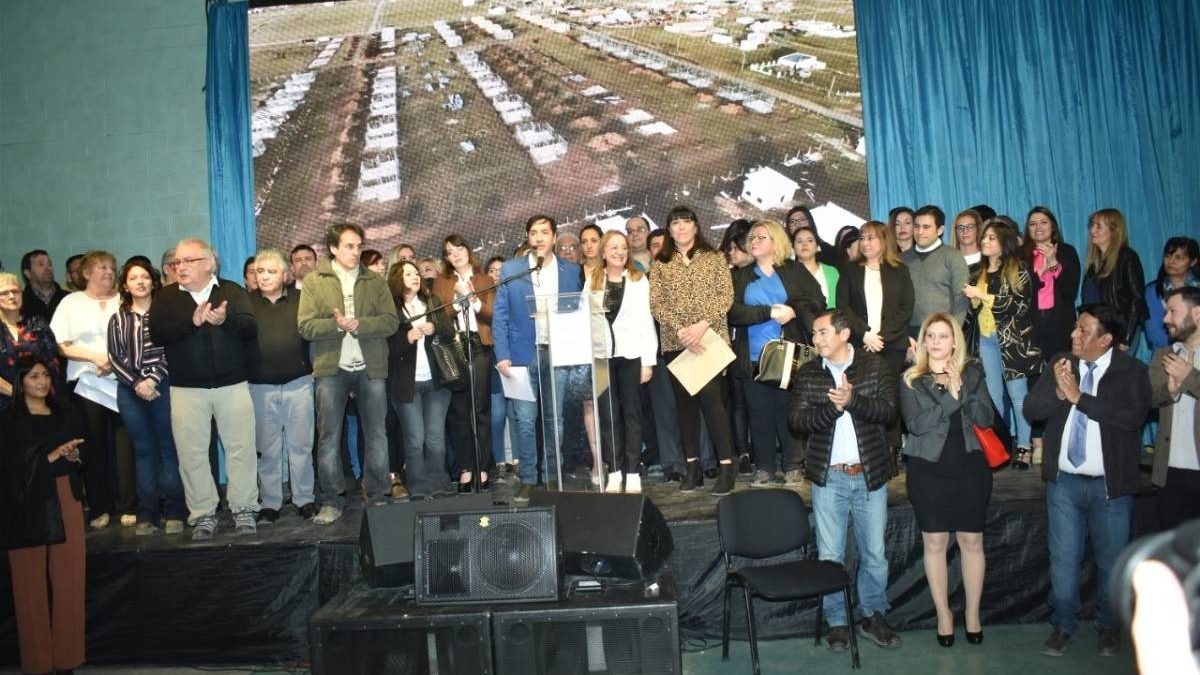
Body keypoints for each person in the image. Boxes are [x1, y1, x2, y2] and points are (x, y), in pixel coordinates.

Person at [1024, 303, 1152, 657]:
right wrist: (1058, 391)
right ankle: (1063, 626)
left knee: (1111, 562)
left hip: (1110, 486)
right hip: (1064, 483)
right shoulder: (1062, 363)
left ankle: (1109, 627)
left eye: (1083, 330)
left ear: (1106, 339)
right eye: (1075, 327)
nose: (1074, 335)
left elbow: (1131, 417)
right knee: (1063, 560)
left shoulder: (1131, 371)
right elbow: (1031, 410)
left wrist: (1080, 399)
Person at [789, 310, 902, 651]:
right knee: (830, 555)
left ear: (844, 333)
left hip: (869, 475)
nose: (816, 339)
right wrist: (833, 409)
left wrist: (853, 401)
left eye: (822, 332)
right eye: (814, 333)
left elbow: (889, 412)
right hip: (829, 478)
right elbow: (797, 421)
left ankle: (872, 615)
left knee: (875, 554)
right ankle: (837, 621)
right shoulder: (808, 372)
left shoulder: (874, 366)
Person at [149, 238, 260, 539]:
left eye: (188, 260)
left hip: (232, 385)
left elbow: (250, 328)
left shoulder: (232, 291)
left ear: (209, 263)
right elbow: (157, 334)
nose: (180, 267)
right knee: (192, 454)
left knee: (241, 450)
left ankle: (244, 508)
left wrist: (224, 320)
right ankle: (203, 514)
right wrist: (191, 322)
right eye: (177, 262)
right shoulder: (165, 297)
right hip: (186, 390)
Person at [900, 313, 993, 647]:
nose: (936, 342)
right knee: (935, 543)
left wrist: (963, 390)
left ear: (955, 341)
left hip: (970, 467)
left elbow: (985, 418)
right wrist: (951, 398)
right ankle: (944, 615)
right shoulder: (911, 379)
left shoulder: (972, 372)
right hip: (928, 470)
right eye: (931, 336)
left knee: (972, 542)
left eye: (943, 335)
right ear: (924, 341)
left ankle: (973, 614)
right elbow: (917, 425)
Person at [298, 224, 400, 524]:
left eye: (359, 246)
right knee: (329, 436)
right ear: (333, 248)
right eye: (349, 246)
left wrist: (360, 324)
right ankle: (331, 500)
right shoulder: (314, 281)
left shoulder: (375, 281)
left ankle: (378, 495)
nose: (356, 252)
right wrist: (337, 325)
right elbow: (305, 326)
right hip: (331, 368)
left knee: (376, 434)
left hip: (371, 366)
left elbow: (391, 322)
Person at [1, 358, 87, 675]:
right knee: (28, 583)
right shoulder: (9, 420)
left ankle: (67, 660)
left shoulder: (65, 412)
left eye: (46, 375)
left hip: (65, 494)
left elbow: (82, 457)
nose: (42, 381)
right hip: (26, 503)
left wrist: (74, 456)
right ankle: (37, 664)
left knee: (70, 579)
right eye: (34, 376)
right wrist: (50, 457)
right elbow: (9, 467)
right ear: (20, 381)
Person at [493, 215, 583, 502]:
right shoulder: (512, 269)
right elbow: (501, 316)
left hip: (558, 353)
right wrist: (502, 354)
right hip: (521, 356)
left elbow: (578, 313)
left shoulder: (571, 271)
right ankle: (529, 478)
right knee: (524, 420)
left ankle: (553, 474)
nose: (539, 237)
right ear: (528, 237)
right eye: (534, 232)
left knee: (555, 419)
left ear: (554, 237)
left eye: (545, 232)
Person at [648, 206, 737, 495]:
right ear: (669, 230)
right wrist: (682, 331)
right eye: (675, 223)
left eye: (686, 222)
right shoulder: (661, 263)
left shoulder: (714, 257)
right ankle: (693, 468)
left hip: (709, 338)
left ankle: (727, 467)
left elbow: (726, 296)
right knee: (684, 405)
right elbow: (656, 304)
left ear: (696, 226)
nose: (681, 227)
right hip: (677, 342)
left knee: (713, 403)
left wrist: (701, 326)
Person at [730, 219, 823, 486]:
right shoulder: (741, 275)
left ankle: (793, 465)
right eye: (752, 238)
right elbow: (733, 312)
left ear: (776, 242)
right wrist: (768, 312)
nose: (754, 241)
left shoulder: (793, 270)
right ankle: (764, 468)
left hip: (789, 353)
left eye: (761, 237)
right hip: (753, 357)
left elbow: (818, 300)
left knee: (789, 410)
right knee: (759, 413)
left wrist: (794, 310)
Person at [50, 250, 134, 530]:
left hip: (123, 381)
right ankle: (100, 507)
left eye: (112, 267)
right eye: (102, 267)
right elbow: (59, 344)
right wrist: (94, 357)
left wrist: (114, 362)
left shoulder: (125, 300)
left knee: (126, 445)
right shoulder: (70, 302)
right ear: (86, 273)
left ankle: (128, 506)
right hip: (86, 384)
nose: (109, 272)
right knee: (92, 446)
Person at [107, 258, 185, 535]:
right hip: (130, 391)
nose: (140, 282)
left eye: (144, 277)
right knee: (142, 451)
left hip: (162, 386)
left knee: (168, 448)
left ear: (153, 281)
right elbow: (114, 357)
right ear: (125, 285)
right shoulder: (118, 319)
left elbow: (171, 350)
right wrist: (137, 382)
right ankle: (147, 513)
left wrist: (152, 379)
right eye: (133, 278)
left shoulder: (165, 314)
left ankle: (175, 510)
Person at [246, 249, 319, 523]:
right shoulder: (245, 303)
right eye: (259, 271)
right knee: (268, 450)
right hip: (260, 387)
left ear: (284, 274)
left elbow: (315, 336)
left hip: (299, 384)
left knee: (301, 447)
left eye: (271, 271)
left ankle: (305, 499)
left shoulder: (302, 299)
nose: (264, 276)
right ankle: (270, 503)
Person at [963, 220, 1043, 469]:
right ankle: (1001, 446)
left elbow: (1019, 306)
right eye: (984, 237)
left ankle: (1024, 447)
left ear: (1004, 243)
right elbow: (973, 310)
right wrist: (972, 301)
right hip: (986, 340)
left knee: (1018, 396)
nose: (985, 241)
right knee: (993, 396)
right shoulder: (978, 271)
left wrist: (982, 296)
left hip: (1013, 341)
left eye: (991, 238)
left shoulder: (1019, 269)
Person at [588, 231, 657, 493]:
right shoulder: (593, 279)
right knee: (608, 416)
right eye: (614, 248)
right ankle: (615, 472)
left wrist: (647, 361)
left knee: (632, 415)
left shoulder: (638, 280)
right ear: (604, 252)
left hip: (631, 356)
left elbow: (646, 322)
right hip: (601, 358)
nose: (619, 252)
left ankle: (633, 472)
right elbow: (585, 319)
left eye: (623, 248)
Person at [433, 234, 496, 492]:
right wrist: (459, 303)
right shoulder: (441, 282)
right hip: (454, 348)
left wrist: (473, 300)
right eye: (450, 252)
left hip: (479, 345)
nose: (456, 254)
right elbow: (439, 317)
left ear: (468, 250)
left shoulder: (485, 279)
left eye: (459, 249)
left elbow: (492, 315)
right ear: (446, 258)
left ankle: (483, 466)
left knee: (480, 408)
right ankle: (466, 467)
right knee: (459, 412)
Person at [389, 260, 455, 497]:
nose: (415, 277)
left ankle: (439, 485)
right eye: (408, 274)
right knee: (415, 438)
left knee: (435, 437)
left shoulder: (432, 301)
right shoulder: (390, 307)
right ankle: (417, 486)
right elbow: (385, 346)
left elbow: (450, 331)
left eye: (416, 273)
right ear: (397, 279)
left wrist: (434, 327)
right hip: (406, 384)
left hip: (436, 381)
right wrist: (406, 338)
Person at [836, 221, 914, 402]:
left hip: (892, 345)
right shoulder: (850, 270)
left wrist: (881, 337)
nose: (865, 243)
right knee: (861, 396)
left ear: (884, 240)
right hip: (860, 344)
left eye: (871, 238)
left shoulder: (900, 270)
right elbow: (843, 306)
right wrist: (864, 334)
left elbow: (906, 307)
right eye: (862, 238)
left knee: (889, 398)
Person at [1149, 287, 1200, 530]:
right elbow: (1146, 400)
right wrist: (1169, 391)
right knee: (1175, 548)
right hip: (1170, 474)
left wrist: (1190, 377)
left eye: (1172, 311)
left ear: (1197, 314)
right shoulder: (1164, 355)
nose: (1165, 319)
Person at [1081, 208, 1147, 350]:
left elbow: (1137, 299)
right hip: (1099, 330)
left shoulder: (1127, 257)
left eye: (1098, 226)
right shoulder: (1094, 264)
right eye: (1092, 225)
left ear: (1114, 231)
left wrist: (1127, 337)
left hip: (1120, 331)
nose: (1092, 230)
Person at [903, 205, 971, 338]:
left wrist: (952, 334)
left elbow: (961, 300)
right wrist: (902, 336)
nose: (920, 232)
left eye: (926, 227)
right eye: (916, 226)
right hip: (908, 335)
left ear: (940, 230)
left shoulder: (953, 256)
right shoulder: (901, 259)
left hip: (942, 332)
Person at [0, 272, 62, 410]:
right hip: (4, 404)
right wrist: (18, 394)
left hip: (41, 400)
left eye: (15, 291)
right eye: (4, 293)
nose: (12, 296)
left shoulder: (37, 323)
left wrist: (40, 396)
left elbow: (52, 364)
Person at [484, 256, 515, 473]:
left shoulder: (514, 295)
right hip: (492, 360)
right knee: (496, 415)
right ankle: (499, 460)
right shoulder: (483, 299)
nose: (497, 274)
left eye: (501, 270)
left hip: (514, 359)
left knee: (515, 413)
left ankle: (516, 458)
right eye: (492, 270)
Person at [1144, 237, 1200, 352]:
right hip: (1166, 351)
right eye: (1168, 256)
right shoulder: (1152, 291)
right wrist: (1184, 347)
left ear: (1193, 262)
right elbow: (1154, 334)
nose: (1171, 262)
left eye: (1178, 257)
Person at [793, 226, 839, 309]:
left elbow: (838, 303)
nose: (804, 244)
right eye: (799, 241)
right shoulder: (787, 273)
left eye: (810, 240)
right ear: (794, 248)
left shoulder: (832, 272)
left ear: (817, 247)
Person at [20, 250, 68, 323]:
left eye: (49, 264)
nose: (48, 268)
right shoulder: (20, 302)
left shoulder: (68, 298)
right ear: (28, 273)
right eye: (41, 264)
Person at [951, 209, 984, 279]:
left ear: (978, 229)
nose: (965, 231)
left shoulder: (988, 260)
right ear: (955, 232)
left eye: (970, 227)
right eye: (960, 228)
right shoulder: (949, 262)